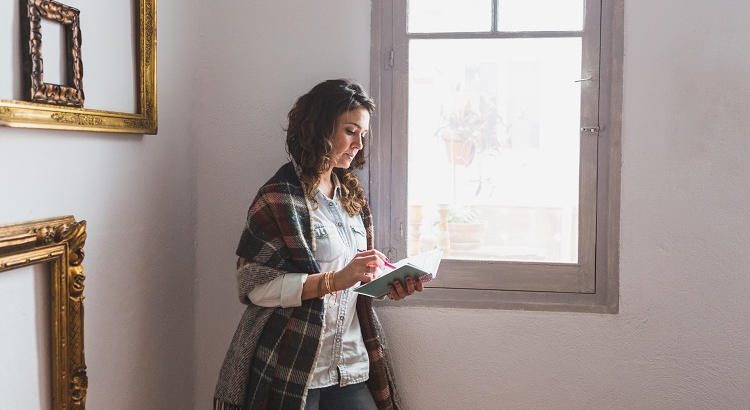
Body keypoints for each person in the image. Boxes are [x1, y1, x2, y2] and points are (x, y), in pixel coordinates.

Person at [214, 79, 423, 410]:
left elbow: (353, 285)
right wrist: (335, 280)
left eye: (363, 135)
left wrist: (384, 284)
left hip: (351, 365)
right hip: (293, 365)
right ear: (321, 128)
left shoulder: (352, 199)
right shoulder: (278, 199)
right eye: (351, 131)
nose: (358, 144)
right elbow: (255, 287)